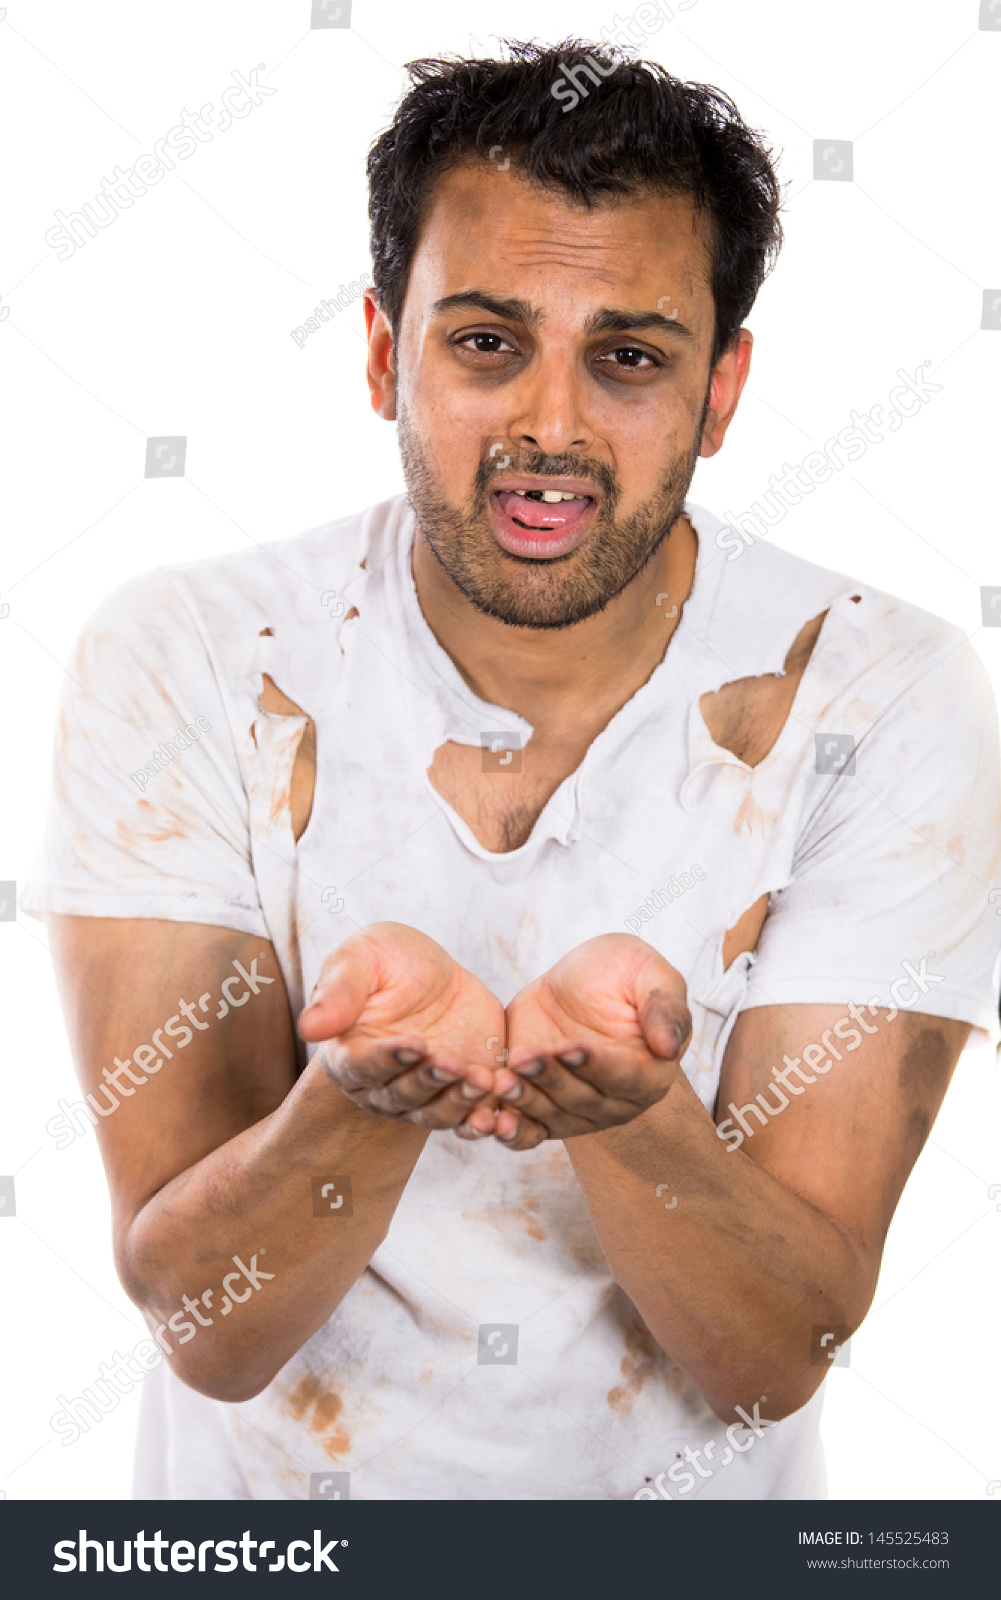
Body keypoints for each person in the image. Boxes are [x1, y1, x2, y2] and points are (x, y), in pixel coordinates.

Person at [25, 40, 1001, 1501]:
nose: (548, 428)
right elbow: (201, 1325)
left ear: (720, 390)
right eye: (485, 342)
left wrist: (635, 1115)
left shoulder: (883, 690)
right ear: (379, 351)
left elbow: (776, 1350)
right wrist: (353, 1100)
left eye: (627, 356)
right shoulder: (190, 655)